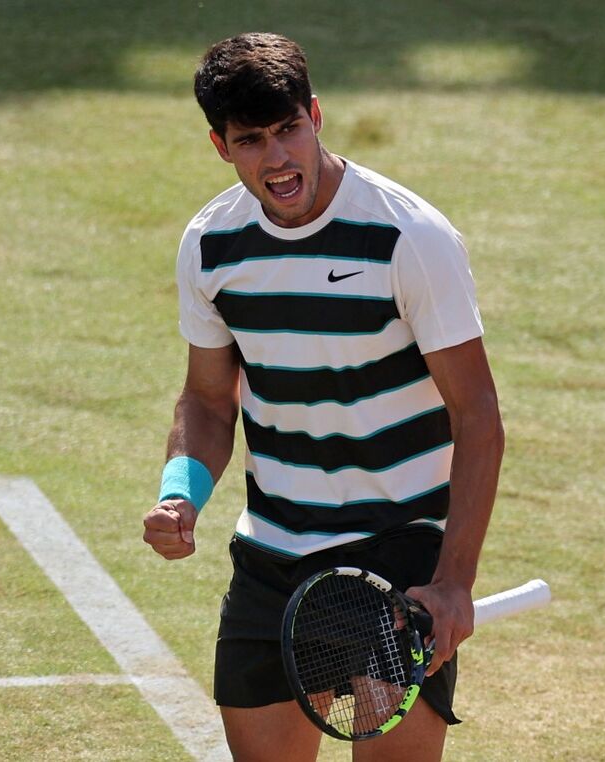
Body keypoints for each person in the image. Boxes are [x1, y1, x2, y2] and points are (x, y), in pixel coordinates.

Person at [142, 32, 504, 762]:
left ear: (316, 114)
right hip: (271, 559)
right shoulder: (211, 246)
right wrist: (181, 493)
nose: (277, 158)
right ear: (221, 146)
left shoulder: (409, 238)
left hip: (396, 560)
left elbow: (478, 417)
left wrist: (453, 581)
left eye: (289, 130)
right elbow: (210, 402)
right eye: (251, 140)